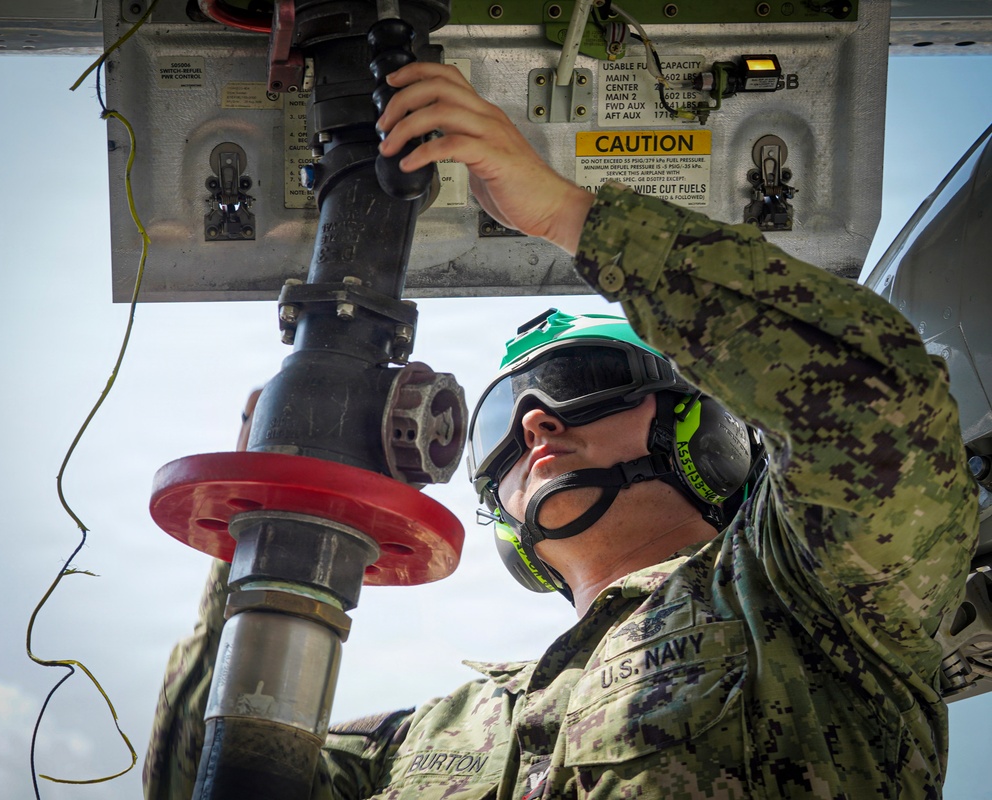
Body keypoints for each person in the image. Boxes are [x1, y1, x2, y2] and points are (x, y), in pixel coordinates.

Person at [144, 62, 978, 798]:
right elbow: (203, 778)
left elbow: (882, 399)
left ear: (710, 428)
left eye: (585, 384)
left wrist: (572, 215)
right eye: (499, 425)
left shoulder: (817, 606)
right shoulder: (423, 741)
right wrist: (276, 515)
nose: (537, 421)